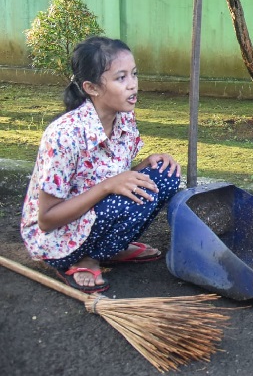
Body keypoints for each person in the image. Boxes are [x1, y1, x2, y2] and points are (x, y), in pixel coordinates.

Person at [20, 36, 182, 293]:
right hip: (54, 239)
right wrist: (108, 186)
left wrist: (145, 165)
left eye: (134, 74)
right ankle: (86, 258)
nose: (133, 85)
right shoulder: (64, 135)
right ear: (92, 88)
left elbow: (116, 176)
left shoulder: (124, 118)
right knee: (122, 200)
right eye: (121, 78)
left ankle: (109, 250)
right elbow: (47, 220)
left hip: (96, 213)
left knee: (165, 175)